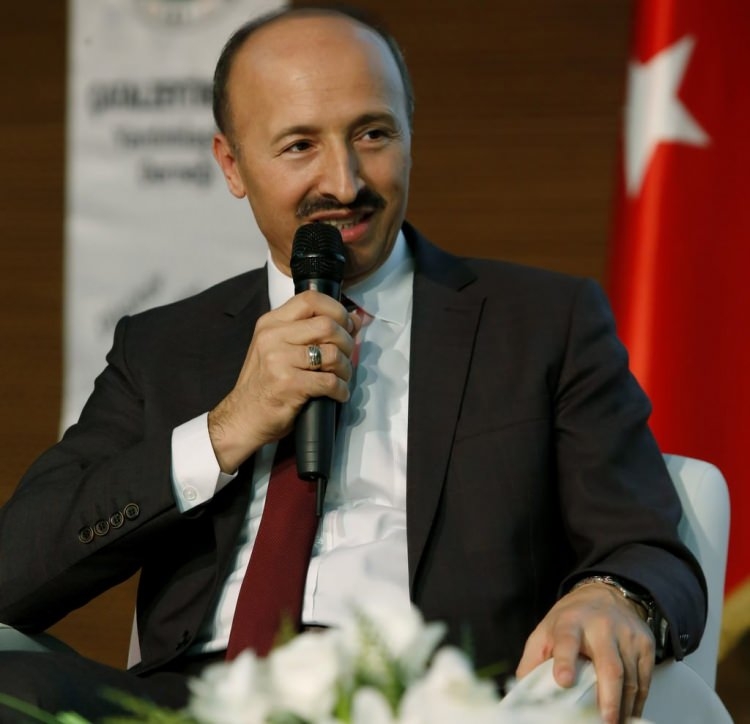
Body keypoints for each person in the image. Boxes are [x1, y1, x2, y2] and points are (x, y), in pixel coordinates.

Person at [0, 6, 706, 723]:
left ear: (410, 134)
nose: (343, 183)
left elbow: (646, 546)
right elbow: (13, 574)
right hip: (197, 704)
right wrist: (224, 429)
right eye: (299, 145)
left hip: (431, 701)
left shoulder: (540, 323)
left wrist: (611, 595)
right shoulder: (164, 347)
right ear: (232, 164)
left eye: (373, 134)